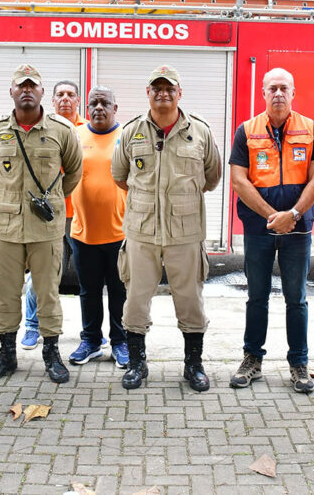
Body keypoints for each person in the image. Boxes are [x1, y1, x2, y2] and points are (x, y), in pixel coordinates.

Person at [111, 65, 222, 391]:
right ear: (148, 93)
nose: (163, 94)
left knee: (190, 301)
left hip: (185, 234)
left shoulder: (199, 131)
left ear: (179, 93)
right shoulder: (132, 131)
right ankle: (136, 364)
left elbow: (211, 178)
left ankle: (194, 365)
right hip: (142, 232)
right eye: (156, 88)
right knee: (135, 300)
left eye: (169, 88)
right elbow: (120, 175)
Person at [0, 64, 83, 383]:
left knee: (48, 293)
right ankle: (7, 355)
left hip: (45, 229)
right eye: (20, 86)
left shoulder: (62, 131)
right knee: (8, 294)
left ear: (41, 92)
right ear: (11, 92)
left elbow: (74, 172)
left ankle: (51, 355)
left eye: (32, 86)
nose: (26, 90)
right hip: (7, 228)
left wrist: (50, 200)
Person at [228, 68, 314, 393]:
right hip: (259, 228)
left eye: (284, 88)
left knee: (296, 298)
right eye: (273, 88)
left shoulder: (311, 130)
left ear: (293, 92)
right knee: (256, 297)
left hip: (297, 231)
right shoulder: (247, 131)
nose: (278, 94)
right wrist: (274, 216)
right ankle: (252, 359)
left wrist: (294, 214)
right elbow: (239, 180)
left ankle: (299, 363)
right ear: (263, 92)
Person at [21, 80, 89, 351]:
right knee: (41, 274)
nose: (65, 99)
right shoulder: (43, 129)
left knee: (89, 278)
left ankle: (91, 333)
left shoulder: (89, 131)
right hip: (48, 216)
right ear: (51, 100)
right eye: (59, 94)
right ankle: (32, 326)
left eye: (71, 94)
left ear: (78, 99)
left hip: (82, 215)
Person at [66, 86, 128, 368]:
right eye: (94, 103)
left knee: (119, 291)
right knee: (88, 291)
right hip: (83, 232)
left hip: (121, 233)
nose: (99, 108)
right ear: (86, 108)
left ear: (116, 108)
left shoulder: (126, 137)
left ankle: (121, 342)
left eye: (106, 103)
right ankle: (91, 341)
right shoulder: (75, 136)